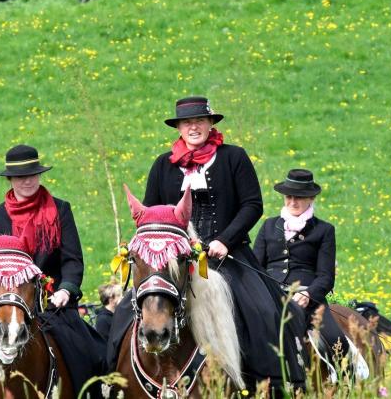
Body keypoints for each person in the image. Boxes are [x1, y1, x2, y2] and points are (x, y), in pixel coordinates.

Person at [107, 96, 306, 393]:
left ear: (210, 123)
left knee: (262, 309)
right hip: (175, 259)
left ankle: (272, 383)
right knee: (125, 311)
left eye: (199, 121)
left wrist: (225, 240)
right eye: (187, 123)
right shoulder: (163, 165)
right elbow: (149, 214)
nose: (193, 127)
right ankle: (112, 381)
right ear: (178, 128)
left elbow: (252, 204)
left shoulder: (233, 157)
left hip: (228, 255)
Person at [0, 144, 106, 397]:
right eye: (21, 177)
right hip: (5, 303)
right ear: (10, 179)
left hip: (52, 305)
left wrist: (66, 290)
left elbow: (72, 260)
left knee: (90, 355)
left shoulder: (60, 209)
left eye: (32, 174)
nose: (27, 181)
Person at [253, 169, 352, 375]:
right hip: (270, 294)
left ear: (311, 198)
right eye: (289, 196)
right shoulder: (269, 226)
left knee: (336, 340)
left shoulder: (324, 230)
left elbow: (326, 276)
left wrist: (308, 294)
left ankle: (346, 382)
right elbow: (256, 267)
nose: (292, 202)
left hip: (307, 296)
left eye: (299, 197)